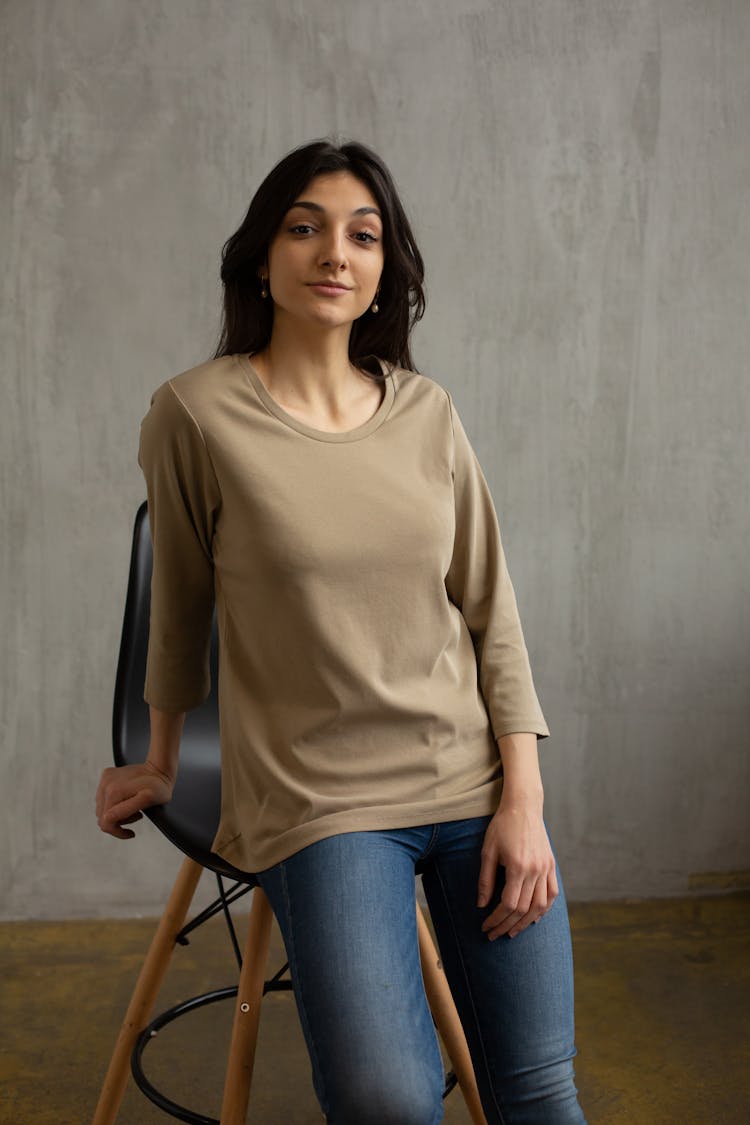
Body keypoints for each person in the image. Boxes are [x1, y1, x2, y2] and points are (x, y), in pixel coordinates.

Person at [96, 137, 586, 1124]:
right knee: (387, 1101)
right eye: (304, 227)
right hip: (321, 802)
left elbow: (492, 614)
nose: (334, 253)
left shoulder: (428, 414)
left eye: (362, 235)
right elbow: (180, 607)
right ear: (263, 259)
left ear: (382, 273)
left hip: (473, 779)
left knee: (538, 1092)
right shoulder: (195, 415)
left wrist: (525, 801)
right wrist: (159, 759)